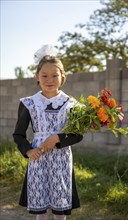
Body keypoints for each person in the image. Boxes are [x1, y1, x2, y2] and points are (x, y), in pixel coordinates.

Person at [13, 45, 83, 220]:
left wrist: (58, 138)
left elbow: (78, 134)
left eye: (55, 75)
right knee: (41, 210)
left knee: (60, 209)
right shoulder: (29, 103)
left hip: (61, 161)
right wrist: (28, 150)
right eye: (44, 75)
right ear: (37, 77)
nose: (49, 79)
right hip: (38, 159)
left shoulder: (71, 104)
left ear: (63, 77)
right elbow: (18, 134)